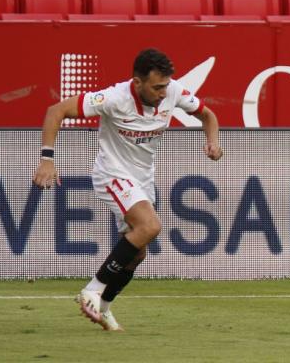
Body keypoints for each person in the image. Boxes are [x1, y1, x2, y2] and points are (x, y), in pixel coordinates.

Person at [32, 48, 223, 331]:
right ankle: (92, 290)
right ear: (137, 82)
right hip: (112, 173)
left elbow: (208, 115)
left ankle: (104, 308)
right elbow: (55, 111)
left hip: (142, 178)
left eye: (165, 86)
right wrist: (47, 159)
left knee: (137, 254)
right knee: (150, 226)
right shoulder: (113, 98)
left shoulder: (174, 92)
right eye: (157, 87)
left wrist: (213, 142)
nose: (163, 92)